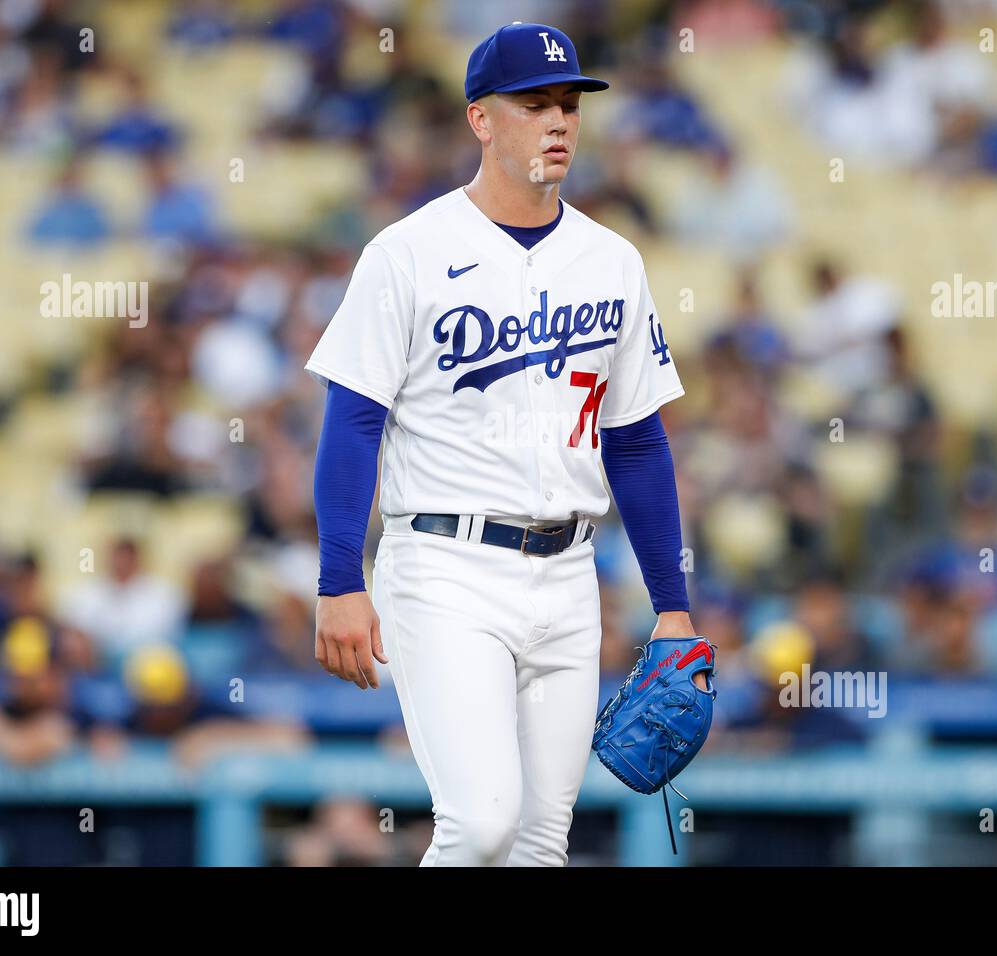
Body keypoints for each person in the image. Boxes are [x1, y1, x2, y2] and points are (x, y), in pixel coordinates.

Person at [305, 22, 696, 866]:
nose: (557, 120)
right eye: (534, 104)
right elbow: (353, 420)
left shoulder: (612, 260)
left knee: (538, 846)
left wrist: (671, 604)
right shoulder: (407, 252)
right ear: (481, 119)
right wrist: (341, 575)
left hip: (568, 573)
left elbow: (635, 443)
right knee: (479, 825)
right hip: (446, 566)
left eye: (568, 104)